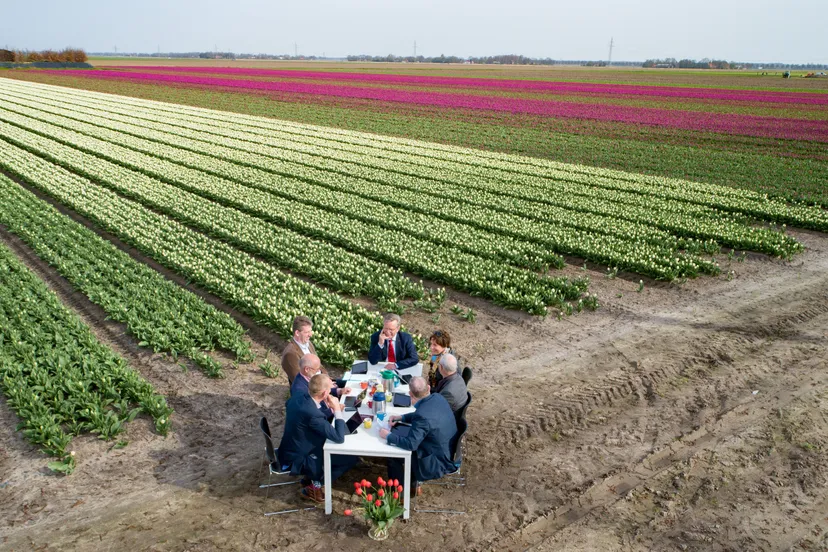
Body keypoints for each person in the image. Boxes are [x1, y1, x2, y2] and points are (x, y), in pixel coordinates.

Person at [277, 374, 358, 502]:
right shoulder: (313, 414)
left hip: (289, 446)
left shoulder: (298, 396)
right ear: (325, 393)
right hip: (301, 456)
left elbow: (291, 406)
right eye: (330, 388)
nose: (332, 390)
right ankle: (314, 486)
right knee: (350, 458)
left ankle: (309, 478)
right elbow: (339, 438)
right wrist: (337, 409)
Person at [379, 376, 457, 489]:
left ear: (410, 394)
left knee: (393, 455)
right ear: (428, 388)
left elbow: (411, 444)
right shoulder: (438, 397)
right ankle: (410, 482)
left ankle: (399, 490)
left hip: (436, 461)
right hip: (446, 449)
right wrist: (401, 417)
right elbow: (422, 415)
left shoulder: (422, 416)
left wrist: (388, 435)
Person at [282, 316, 329, 385]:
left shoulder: (308, 344)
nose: (310, 335)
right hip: (313, 388)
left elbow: (319, 366)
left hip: (322, 382)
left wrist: (328, 380)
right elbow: (300, 381)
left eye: (310, 331)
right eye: (307, 332)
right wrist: (325, 386)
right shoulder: (290, 354)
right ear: (297, 333)